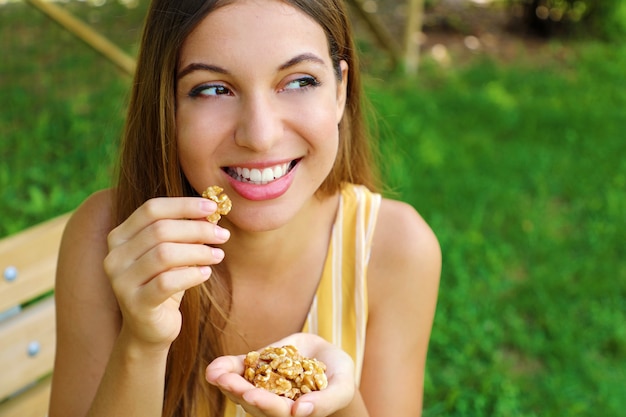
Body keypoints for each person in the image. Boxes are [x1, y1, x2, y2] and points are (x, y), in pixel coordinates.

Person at [48, 0, 441, 416]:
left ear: (340, 91)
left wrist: (337, 407)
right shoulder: (106, 240)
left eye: (299, 81)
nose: (260, 135)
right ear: (168, 104)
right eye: (214, 89)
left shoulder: (394, 249)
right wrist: (143, 342)